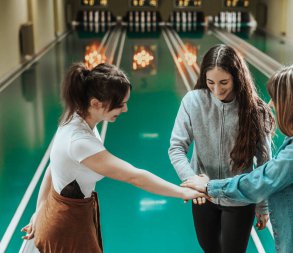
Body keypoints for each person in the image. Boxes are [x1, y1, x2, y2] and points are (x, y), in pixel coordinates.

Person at [21, 63, 204, 253]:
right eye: (120, 104)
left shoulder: (77, 116)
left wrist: (40, 209)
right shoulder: (79, 141)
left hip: (64, 213)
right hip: (66, 226)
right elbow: (135, 176)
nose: (125, 109)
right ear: (95, 103)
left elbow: (53, 166)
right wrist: (182, 192)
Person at [182, 64, 293, 252]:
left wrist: (209, 186)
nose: (270, 104)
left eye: (276, 99)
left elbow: (261, 181)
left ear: (291, 104)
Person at [168, 44, 275, 253]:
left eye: (224, 82)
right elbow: (176, 148)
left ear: (237, 77)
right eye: (210, 82)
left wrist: (263, 205)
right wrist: (193, 183)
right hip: (203, 196)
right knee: (209, 249)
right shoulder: (192, 102)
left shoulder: (256, 110)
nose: (217, 90)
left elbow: (265, 162)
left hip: (240, 196)